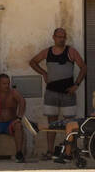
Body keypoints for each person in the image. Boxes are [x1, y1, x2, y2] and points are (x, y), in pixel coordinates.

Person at [30, 28, 86, 158]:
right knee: (51, 124)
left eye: (64, 37)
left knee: (70, 124)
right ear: (53, 37)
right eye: (59, 37)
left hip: (68, 93)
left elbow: (83, 67)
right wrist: (43, 73)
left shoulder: (71, 51)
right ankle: (50, 152)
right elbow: (32, 62)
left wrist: (76, 85)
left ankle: (69, 151)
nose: (62, 39)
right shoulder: (47, 52)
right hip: (51, 92)